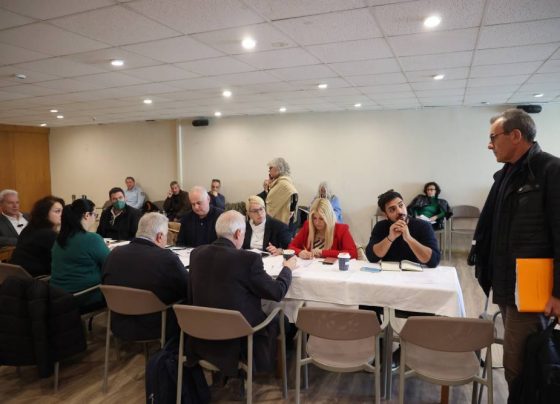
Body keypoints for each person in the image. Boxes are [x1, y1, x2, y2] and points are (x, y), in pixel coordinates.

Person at [469, 108, 560, 398]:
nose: (489, 145)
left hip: (531, 287)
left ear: (516, 136)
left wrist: (558, 292)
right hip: (507, 283)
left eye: (493, 137)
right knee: (516, 360)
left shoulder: (550, 170)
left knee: (520, 364)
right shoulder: (507, 175)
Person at [188, 210, 295, 377]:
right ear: (238, 233)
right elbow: (277, 292)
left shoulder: (196, 254)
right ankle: (278, 366)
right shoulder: (247, 259)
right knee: (283, 319)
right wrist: (287, 268)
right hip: (239, 336)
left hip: (202, 332)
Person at [102, 212, 189, 341]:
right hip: (157, 325)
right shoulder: (166, 258)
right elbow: (187, 288)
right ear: (160, 236)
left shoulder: (114, 254)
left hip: (119, 323)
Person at [51, 199, 110, 313]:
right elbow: (110, 263)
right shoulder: (92, 239)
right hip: (84, 297)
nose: (95, 218)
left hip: (57, 296)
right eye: (95, 214)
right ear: (87, 215)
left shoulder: (60, 238)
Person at [366, 189, 440, 267]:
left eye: (401, 205)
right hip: (389, 272)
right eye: (392, 209)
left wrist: (409, 238)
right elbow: (371, 257)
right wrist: (390, 238)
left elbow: (434, 261)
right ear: (386, 215)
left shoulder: (423, 225)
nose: (399, 211)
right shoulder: (380, 226)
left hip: (417, 272)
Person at [10, 196, 64, 277]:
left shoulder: (29, 228)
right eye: (57, 211)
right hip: (37, 279)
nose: (62, 215)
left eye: (63, 211)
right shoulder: (47, 234)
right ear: (44, 214)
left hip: (18, 277)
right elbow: (63, 259)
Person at [289, 198, 357, 259]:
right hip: (310, 267)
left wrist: (323, 252)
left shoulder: (341, 230)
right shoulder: (308, 226)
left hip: (332, 268)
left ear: (328, 217)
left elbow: (353, 253)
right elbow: (291, 247)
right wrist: (300, 252)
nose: (317, 222)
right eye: (314, 218)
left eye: (321, 219)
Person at [266, 158, 298, 231]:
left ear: (278, 168)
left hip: (282, 221)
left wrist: (291, 210)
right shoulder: (278, 182)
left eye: (270, 168)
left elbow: (294, 193)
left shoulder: (283, 183)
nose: (269, 171)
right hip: (277, 219)